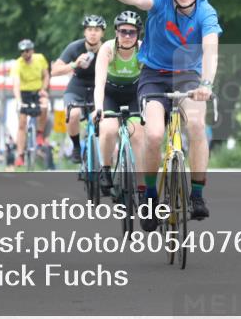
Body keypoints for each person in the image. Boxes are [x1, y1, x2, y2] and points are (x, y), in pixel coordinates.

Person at [108, 0, 221, 227]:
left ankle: (196, 195)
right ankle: (149, 197)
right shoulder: (161, 0)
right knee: (155, 133)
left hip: (188, 75)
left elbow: (210, 49)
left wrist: (206, 84)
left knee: (195, 125)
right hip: (154, 76)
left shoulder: (206, 12)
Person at [93, 10, 146, 197]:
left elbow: (148, 81)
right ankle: (105, 170)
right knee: (108, 129)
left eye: (132, 32)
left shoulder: (142, 50)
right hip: (110, 94)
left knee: (138, 134)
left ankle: (141, 187)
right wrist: (98, 108)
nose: (127, 36)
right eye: (123, 31)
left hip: (133, 94)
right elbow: (99, 83)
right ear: (116, 32)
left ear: (138, 34)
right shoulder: (107, 49)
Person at [53, 16, 106, 165]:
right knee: (73, 113)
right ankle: (76, 146)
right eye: (89, 30)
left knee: (105, 119)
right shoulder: (74, 47)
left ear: (102, 33)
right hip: (77, 87)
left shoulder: (107, 48)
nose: (93, 33)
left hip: (99, 87)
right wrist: (74, 65)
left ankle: (104, 155)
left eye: (96, 30)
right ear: (84, 32)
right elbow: (55, 70)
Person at [11, 39, 50, 168]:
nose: (25, 54)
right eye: (22, 51)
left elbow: (46, 75)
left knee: (44, 105)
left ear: (32, 51)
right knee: (22, 123)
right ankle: (20, 155)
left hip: (38, 91)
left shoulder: (40, 59)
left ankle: (39, 133)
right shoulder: (17, 64)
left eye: (27, 51)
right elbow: (16, 84)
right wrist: (18, 100)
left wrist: (43, 89)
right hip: (24, 93)